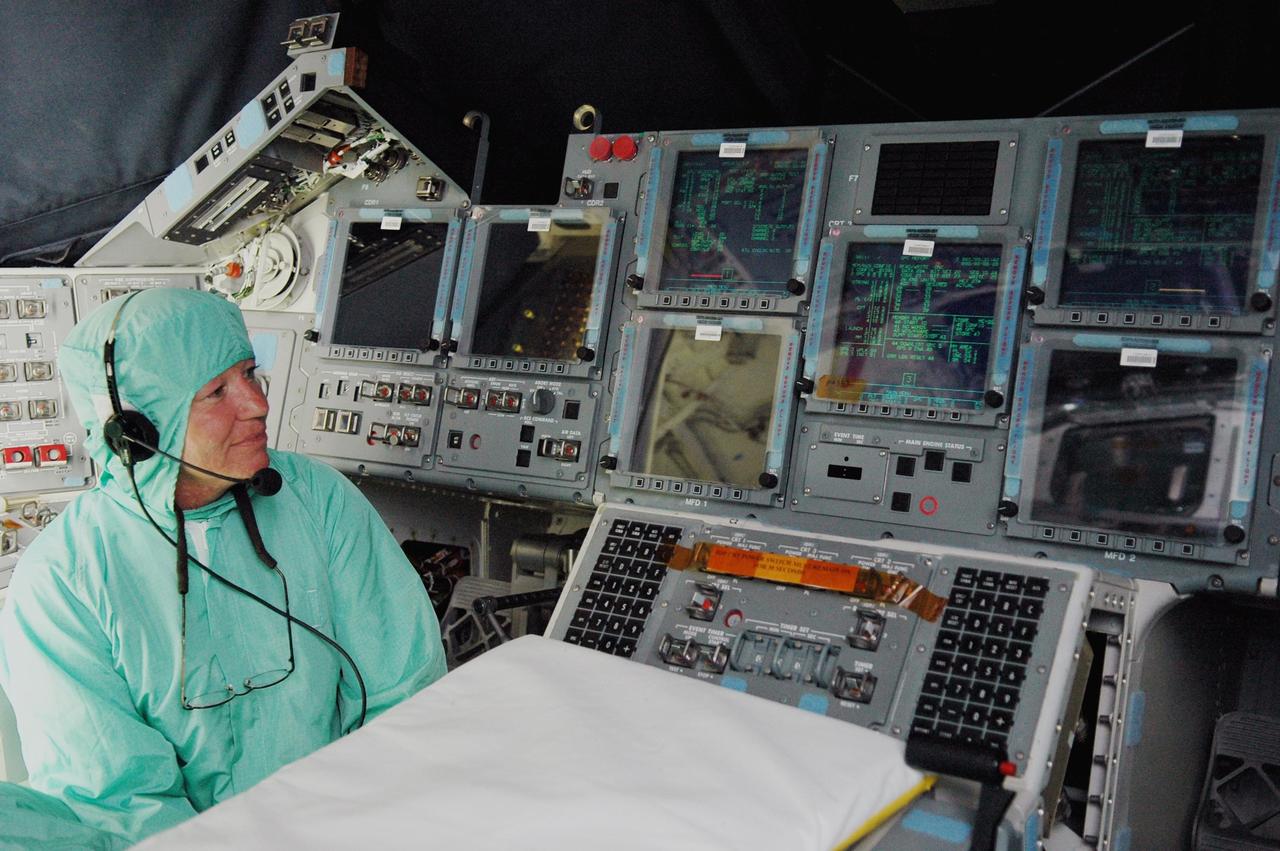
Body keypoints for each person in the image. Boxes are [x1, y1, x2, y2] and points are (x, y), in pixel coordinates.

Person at [0, 288, 446, 843]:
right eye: (216, 392)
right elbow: (118, 801)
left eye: (250, 374)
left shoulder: (318, 499)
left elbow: (403, 696)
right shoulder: (63, 579)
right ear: (138, 431)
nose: (257, 404)